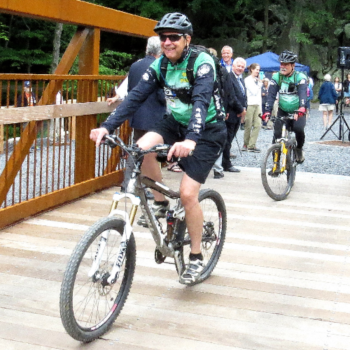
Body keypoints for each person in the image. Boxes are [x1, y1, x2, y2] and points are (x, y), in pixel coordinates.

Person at [90, 13, 227, 285]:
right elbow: (135, 97)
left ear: (187, 39)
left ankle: (197, 256)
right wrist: (107, 126)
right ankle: (161, 202)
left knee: (188, 194)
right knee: (138, 149)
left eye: (174, 37)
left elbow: (200, 101)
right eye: (163, 37)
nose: (167, 42)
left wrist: (191, 140)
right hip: (174, 121)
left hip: (208, 129)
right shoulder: (161, 65)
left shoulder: (202, 62)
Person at [107, 36, 166, 195]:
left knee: (136, 152)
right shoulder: (160, 66)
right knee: (150, 155)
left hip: (137, 115)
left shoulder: (135, 66)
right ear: (160, 50)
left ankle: (128, 185)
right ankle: (149, 188)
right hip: (155, 117)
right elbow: (161, 95)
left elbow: (130, 91)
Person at [263, 50, 308, 164]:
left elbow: (303, 93)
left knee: (299, 129)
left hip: (298, 110)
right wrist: (267, 111)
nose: (282, 66)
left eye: (286, 64)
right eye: (281, 64)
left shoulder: (300, 77)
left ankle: (298, 149)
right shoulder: (277, 76)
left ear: (293, 66)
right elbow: (271, 95)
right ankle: (276, 163)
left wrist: (302, 107)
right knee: (277, 134)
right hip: (282, 110)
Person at [212, 57, 247, 178]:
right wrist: (240, 109)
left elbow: (243, 95)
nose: (240, 68)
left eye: (242, 67)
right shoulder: (229, 77)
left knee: (230, 139)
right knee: (226, 140)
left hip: (238, 113)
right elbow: (230, 96)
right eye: (238, 66)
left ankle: (225, 162)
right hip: (231, 113)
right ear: (233, 65)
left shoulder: (241, 79)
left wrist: (244, 108)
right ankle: (226, 163)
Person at [243, 63, 263, 152]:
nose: (258, 71)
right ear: (252, 69)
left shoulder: (257, 80)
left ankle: (252, 145)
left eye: (259, 70)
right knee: (248, 125)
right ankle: (246, 144)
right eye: (256, 69)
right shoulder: (247, 80)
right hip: (250, 104)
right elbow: (254, 91)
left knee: (258, 124)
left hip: (258, 104)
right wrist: (259, 84)